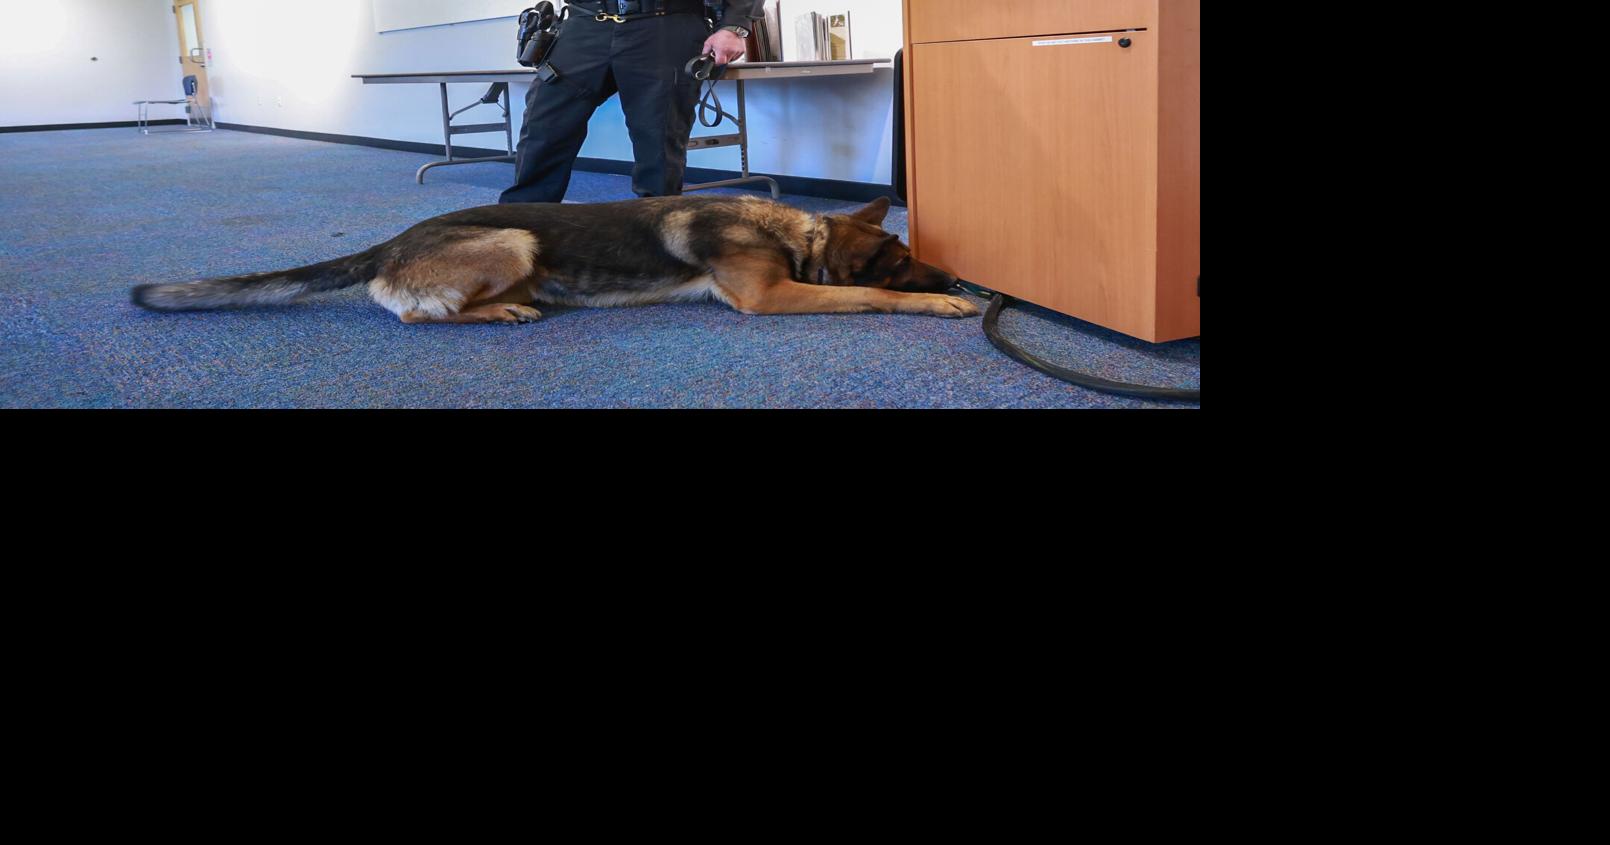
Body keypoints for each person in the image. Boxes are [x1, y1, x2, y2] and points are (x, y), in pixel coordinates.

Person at [498, 0, 764, 205]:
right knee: (543, 126)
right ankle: (520, 226)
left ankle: (657, 244)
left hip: (665, 22)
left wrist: (734, 26)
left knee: (658, 140)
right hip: (584, 20)